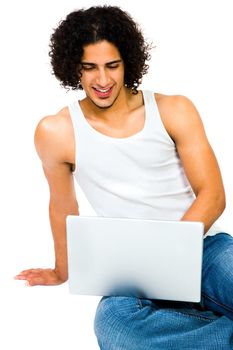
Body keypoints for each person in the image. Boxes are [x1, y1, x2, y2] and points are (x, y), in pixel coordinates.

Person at [15, 5, 233, 349]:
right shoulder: (56, 132)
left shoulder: (173, 109)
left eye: (111, 66)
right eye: (90, 68)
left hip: (204, 247)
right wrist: (62, 270)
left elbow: (213, 194)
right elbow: (62, 206)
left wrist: (170, 253)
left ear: (128, 61)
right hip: (132, 271)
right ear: (75, 68)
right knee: (115, 327)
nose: (102, 81)